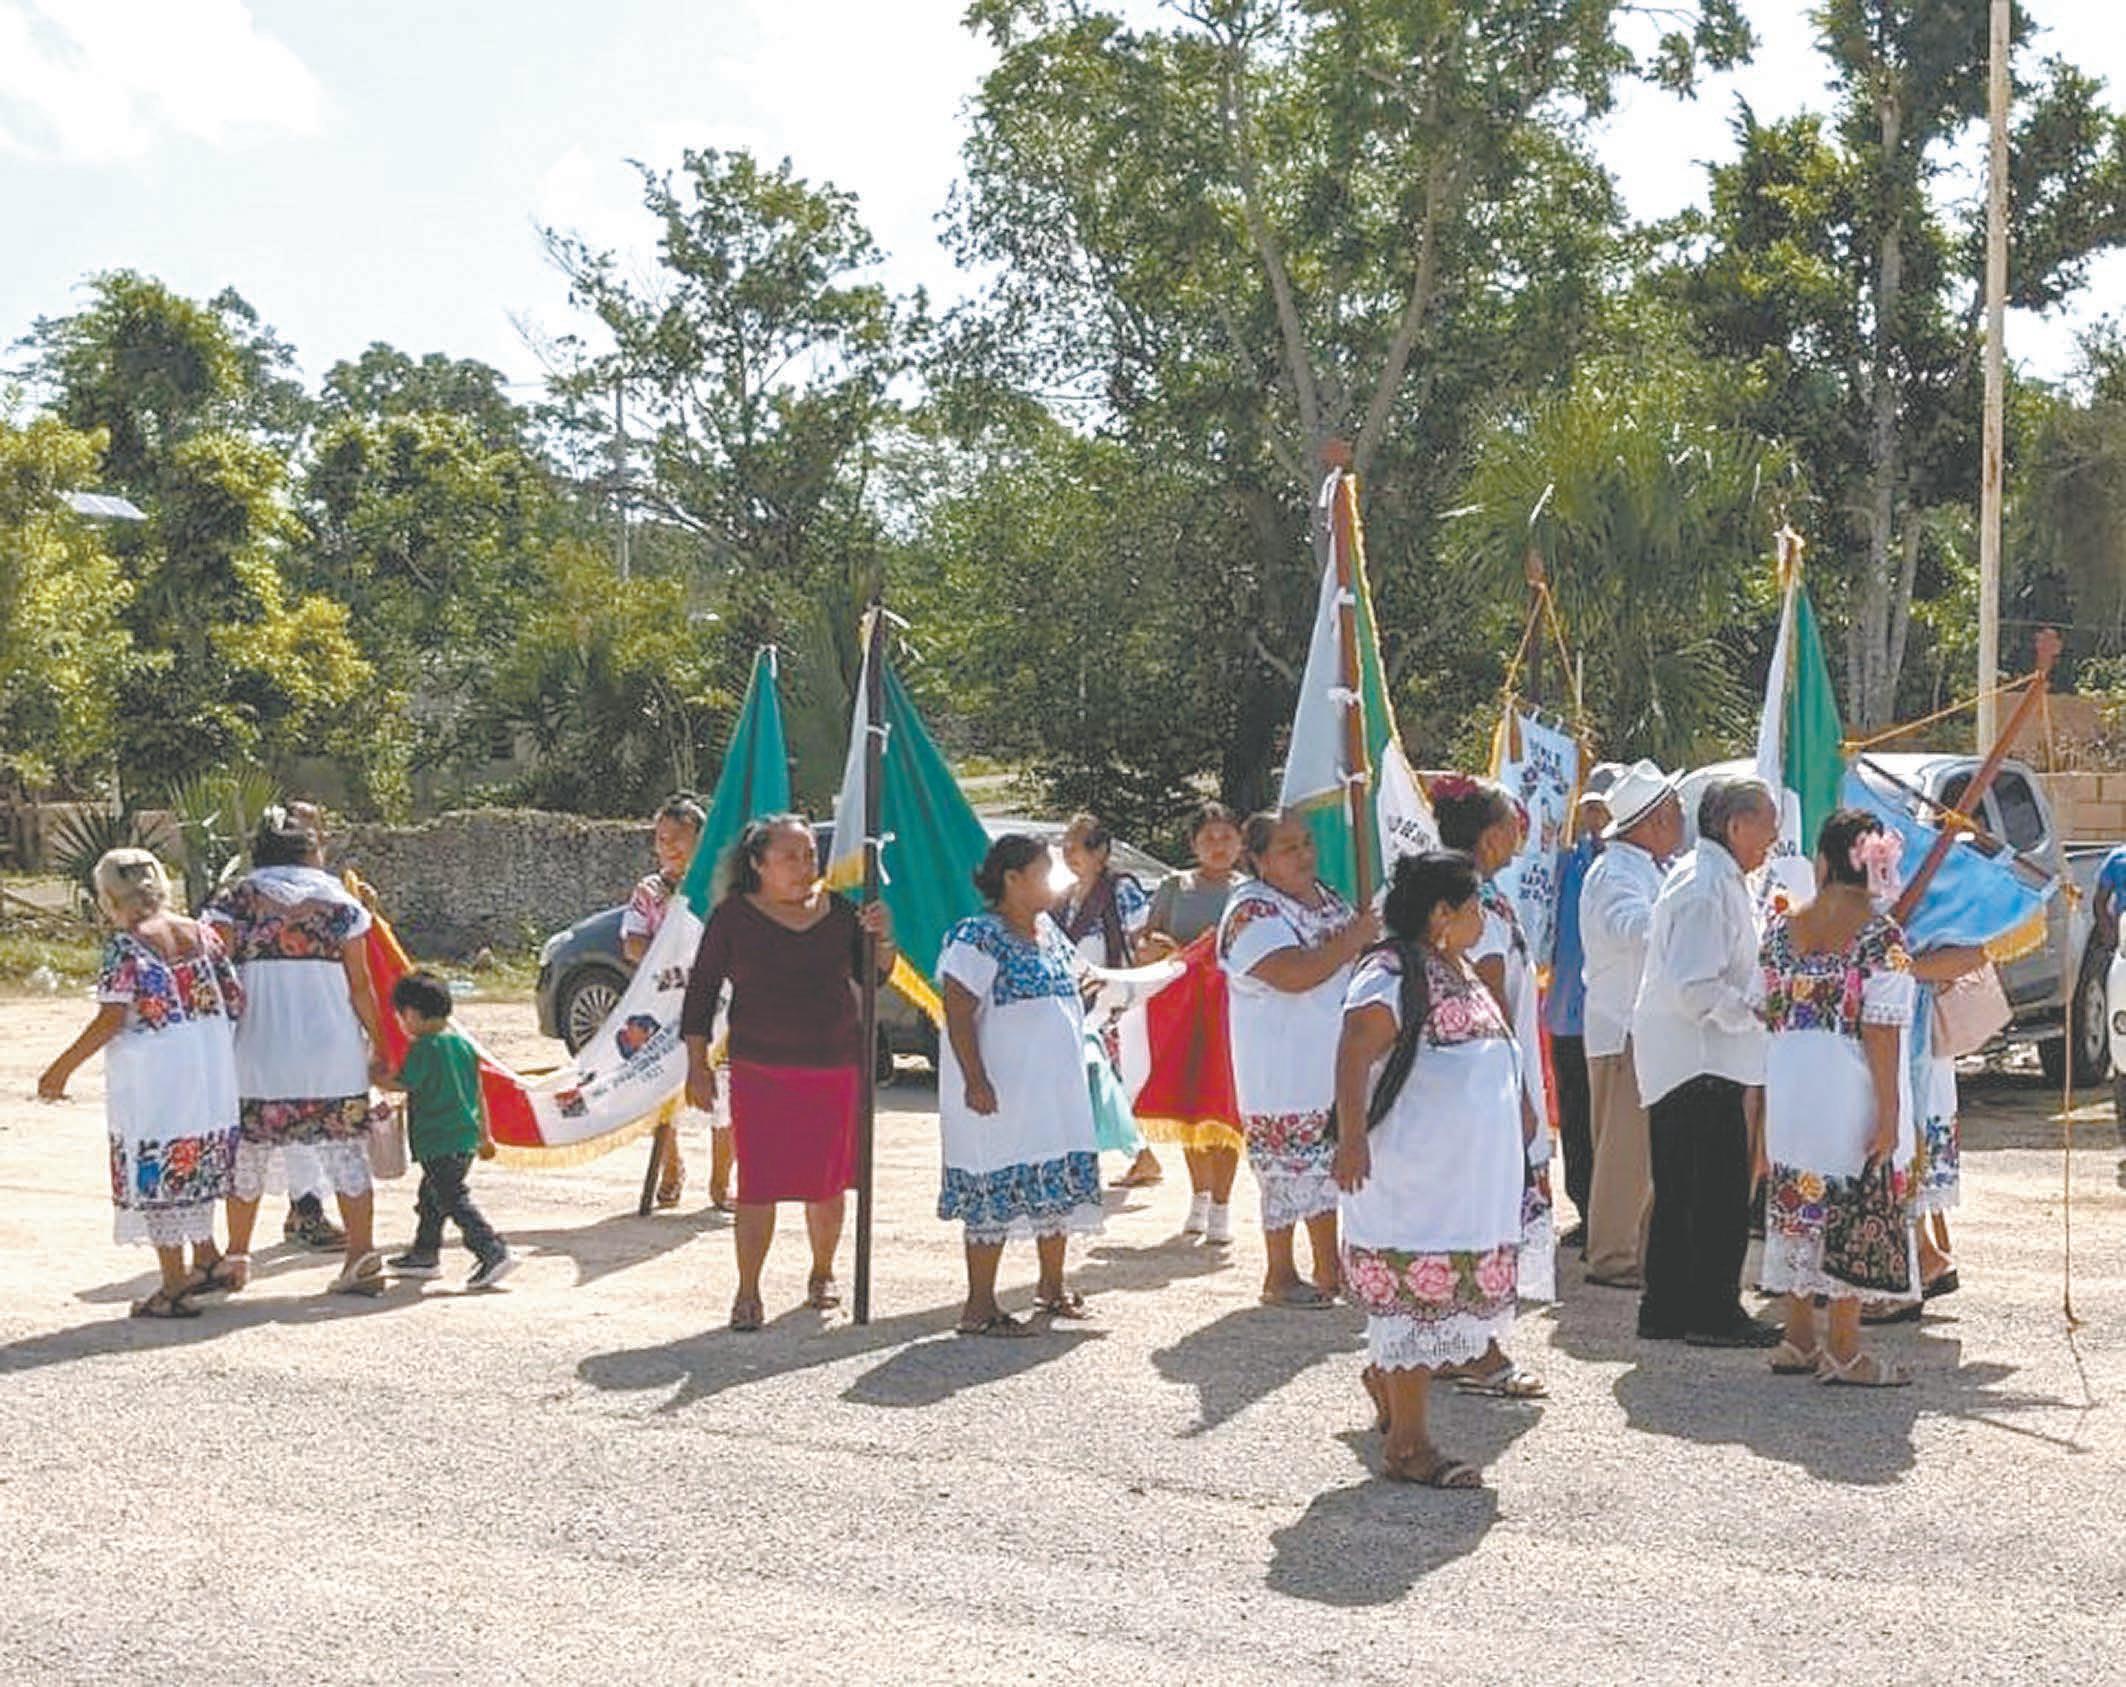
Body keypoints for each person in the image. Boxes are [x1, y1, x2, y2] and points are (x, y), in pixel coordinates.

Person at [1333, 852, 1532, 1488]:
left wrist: (1520, 1107)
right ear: (1442, 914)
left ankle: (1390, 1384)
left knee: (1434, 1301)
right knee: (1415, 1299)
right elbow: (1354, 1050)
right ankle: (1408, 1445)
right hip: (1412, 1176)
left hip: (1460, 1181)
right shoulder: (1390, 972)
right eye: (1473, 907)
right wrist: (1351, 1139)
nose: (1482, 919)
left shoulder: (1457, 967)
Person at [681, 816, 892, 1331]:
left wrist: (882, 939)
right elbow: (701, 991)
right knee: (758, 1183)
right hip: (760, 1070)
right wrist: (697, 1065)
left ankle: (822, 1273)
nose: (804, 866)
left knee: (828, 1182)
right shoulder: (733, 917)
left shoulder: (841, 914)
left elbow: (872, 977)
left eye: (810, 855)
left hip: (832, 1066)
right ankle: (748, 1290)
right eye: (790, 857)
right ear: (758, 864)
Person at [37, 850, 242, 1319]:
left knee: (158, 1164)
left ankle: (173, 1284)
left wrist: (61, 1068)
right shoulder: (203, 934)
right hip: (209, 1065)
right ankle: (207, 1257)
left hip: (155, 1072)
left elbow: (111, 1018)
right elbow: (234, 998)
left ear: (109, 897)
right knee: (198, 1155)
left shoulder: (126, 946)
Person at [1759, 808, 1923, 1385]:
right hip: (1848, 1083)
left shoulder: (1780, 930)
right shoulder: (1882, 936)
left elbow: (1765, 1010)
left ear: (1825, 862)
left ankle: (1798, 1336)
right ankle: (1845, 1348)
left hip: (1790, 1079)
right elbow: (1881, 1031)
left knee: (1800, 1199)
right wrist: (1891, 1114)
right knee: (1852, 1205)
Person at [204, 811, 387, 1297]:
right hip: (333, 1052)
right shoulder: (341, 903)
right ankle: (361, 1255)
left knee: (248, 1156)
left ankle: (237, 1257)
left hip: (258, 1050)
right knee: (345, 1155)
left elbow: (214, 973)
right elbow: (361, 985)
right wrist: (382, 1044)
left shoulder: (236, 900)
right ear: (309, 853)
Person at [1631, 775, 1783, 1348]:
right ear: (1736, 826)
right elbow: (1694, 987)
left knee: (1685, 1189)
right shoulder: (1703, 885)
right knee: (1712, 1193)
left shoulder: (1718, 878)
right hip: (1699, 1062)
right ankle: (1710, 1312)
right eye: (1767, 826)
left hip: (1699, 1060)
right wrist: (1755, 1010)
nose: (1773, 840)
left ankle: (1667, 1308)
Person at [937, 834, 1104, 1336]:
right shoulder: (977, 936)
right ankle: (979, 1307)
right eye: (1044, 872)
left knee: (1055, 1188)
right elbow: (957, 1009)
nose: (1055, 881)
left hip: (1055, 1096)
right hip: (1000, 1096)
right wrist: (975, 1079)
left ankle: (1051, 1287)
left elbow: (1075, 985)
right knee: (994, 1186)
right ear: (1011, 879)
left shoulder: (1049, 931)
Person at [1219, 810, 1378, 1308]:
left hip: (1332, 1057)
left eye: (1306, 843)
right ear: (1259, 859)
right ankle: (1280, 1273)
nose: (1305, 855)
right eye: (1288, 848)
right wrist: (1352, 940)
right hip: (1282, 1065)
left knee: (1327, 1167)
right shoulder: (1251, 910)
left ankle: (1329, 1267)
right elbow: (1292, 974)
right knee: (1286, 1170)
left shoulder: (1326, 897)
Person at [1427, 777, 1551, 1397]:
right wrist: (1519, 1095)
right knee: (1484, 1213)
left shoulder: (1477, 895)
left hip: (1483, 1079)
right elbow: (1490, 1000)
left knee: (1473, 1211)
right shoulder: (1472, 901)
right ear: (1492, 835)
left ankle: (1456, 1341)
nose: (1518, 834)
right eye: (1511, 824)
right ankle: (1476, 1347)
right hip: (1486, 1082)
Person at [1577, 759, 1685, 1290]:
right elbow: (1630, 926)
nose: (1683, 819)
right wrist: (1682, 918)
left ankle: (1634, 1252)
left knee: (1644, 1151)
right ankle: (1612, 1255)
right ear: (1656, 820)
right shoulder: (1615, 873)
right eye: (1676, 809)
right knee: (1625, 1151)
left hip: (1644, 1030)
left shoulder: (1649, 869)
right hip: (1623, 1030)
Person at [1138, 802, 1246, 1240]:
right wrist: (1161, 948)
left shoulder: (1251, 891)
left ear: (1241, 842)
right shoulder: (1174, 886)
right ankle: (1198, 1198)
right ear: (1194, 844)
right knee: (1188, 1104)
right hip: (1181, 1009)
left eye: (1226, 837)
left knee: (1224, 1104)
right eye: (1208, 838)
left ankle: (1222, 1206)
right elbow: (1148, 937)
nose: (1218, 846)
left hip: (1231, 1012)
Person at [623, 796, 733, 1211]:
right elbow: (633, 943)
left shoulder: (720, 887)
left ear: (701, 840)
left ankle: (721, 1183)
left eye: (678, 838)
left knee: (725, 1093)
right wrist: (666, 953)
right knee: (660, 1091)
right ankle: (671, 1168)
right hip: (666, 1005)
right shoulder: (649, 891)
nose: (668, 847)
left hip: (719, 1007)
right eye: (661, 839)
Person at [376, 970, 514, 1289]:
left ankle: (490, 1248)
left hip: (438, 1139)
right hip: (464, 1138)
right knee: (431, 1198)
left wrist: (373, 1076)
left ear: (411, 1013)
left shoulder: (425, 1048)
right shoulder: (462, 1046)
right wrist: (485, 1135)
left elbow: (404, 1083)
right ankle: (424, 1253)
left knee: (452, 1199)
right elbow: (478, 1092)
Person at [1052, 813, 1160, 1188]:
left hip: (1115, 1003)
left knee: (1110, 1081)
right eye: (1065, 846)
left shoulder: (1120, 889)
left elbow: (1141, 936)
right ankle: (1128, 1155)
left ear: (1101, 852)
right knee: (1090, 1082)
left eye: (1078, 846)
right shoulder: (1063, 897)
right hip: (1078, 1001)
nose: (1070, 854)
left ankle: (1140, 1155)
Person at [1546, 768, 1619, 1251]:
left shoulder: (1633, 867)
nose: (1596, 817)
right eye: (1590, 808)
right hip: (1567, 1011)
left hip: (1610, 1015)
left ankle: (1613, 1215)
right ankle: (1585, 1208)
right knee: (1575, 1116)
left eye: (1603, 808)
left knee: (1611, 1120)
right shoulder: (1566, 862)